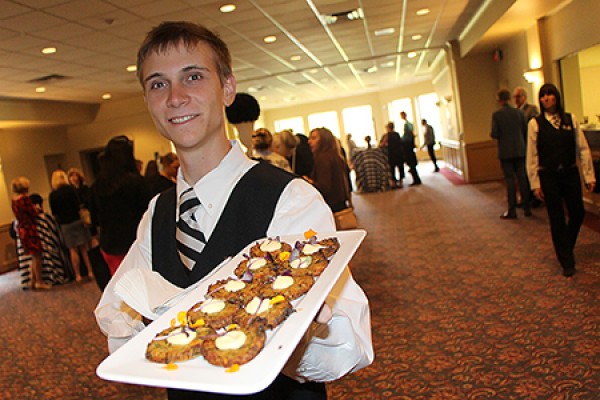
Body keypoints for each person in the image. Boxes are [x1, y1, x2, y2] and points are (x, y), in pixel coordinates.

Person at [94, 21, 372, 400]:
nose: (175, 97)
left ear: (227, 88)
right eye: (158, 84)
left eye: (192, 77)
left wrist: (304, 332)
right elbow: (115, 314)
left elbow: (348, 349)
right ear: (147, 101)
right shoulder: (157, 211)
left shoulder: (290, 199)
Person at [526, 83, 596, 277]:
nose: (547, 98)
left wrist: (589, 176)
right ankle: (567, 261)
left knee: (578, 213)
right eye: (543, 96)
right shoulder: (535, 124)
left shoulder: (570, 119)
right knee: (556, 218)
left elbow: (582, 149)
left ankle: (566, 244)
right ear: (540, 100)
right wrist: (535, 184)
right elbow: (531, 156)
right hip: (549, 176)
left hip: (570, 173)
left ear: (556, 97)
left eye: (550, 95)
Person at [91, 135, 151, 275]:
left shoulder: (98, 185)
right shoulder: (137, 183)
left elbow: (94, 217)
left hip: (109, 243)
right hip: (135, 242)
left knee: (119, 283)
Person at [491, 88, 531, 219]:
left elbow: (494, 134)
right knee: (523, 179)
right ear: (509, 98)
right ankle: (527, 207)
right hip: (520, 150)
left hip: (506, 152)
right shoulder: (519, 113)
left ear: (499, 100)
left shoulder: (497, 115)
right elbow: (525, 131)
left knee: (510, 181)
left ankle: (512, 210)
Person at [49, 169, 94, 282]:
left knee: (72, 250)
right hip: (77, 220)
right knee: (84, 248)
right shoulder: (71, 190)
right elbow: (78, 205)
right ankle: (90, 271)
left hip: (65, 224)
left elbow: (54, 212)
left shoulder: (53, 195)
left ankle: (77, 275)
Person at [11, 177, 51, 290]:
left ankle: (33, 281)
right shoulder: (25, 199)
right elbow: (32, 213)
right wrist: (37, 209)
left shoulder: (14, 200)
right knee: (37, 255)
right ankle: (39, 281)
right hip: (30, 229)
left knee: (33, 256)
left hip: (22, 229)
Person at [308, 127, 352, 213]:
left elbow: (324, 187)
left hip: (330, 205)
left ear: (323, 140)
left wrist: (309, 182)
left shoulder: (322, 159)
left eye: (313, 138)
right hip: (340, 202)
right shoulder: (336, 156)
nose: (309, 141)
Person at [514, 86, 542, 208]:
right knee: (523, 174)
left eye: (518, 97)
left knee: (532, 171)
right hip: (520, 147)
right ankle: (526, 197)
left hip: (530, 144)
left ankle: (535, 198)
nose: (516, 99)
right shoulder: (515, 111)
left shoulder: (531, 109)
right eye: (514, 97)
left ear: (524, 97)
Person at [400, 111, 422, 186]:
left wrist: (401, 140)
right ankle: (416, 179)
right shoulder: (410, 124)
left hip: (407, 146)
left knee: (411, 162)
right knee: (411, 163)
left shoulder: (407, 125)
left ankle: (416, 179)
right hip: (409, 145)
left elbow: (407, 136)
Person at [384, 122, 405, 188]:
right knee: (400, 167)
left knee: (392, 168)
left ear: (388, 128)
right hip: (399, 153)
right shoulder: (397, 134)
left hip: (392, 153)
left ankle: (394, 183)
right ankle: (401, 182)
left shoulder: (387, 135)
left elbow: (383, 144)